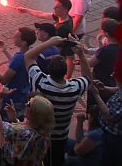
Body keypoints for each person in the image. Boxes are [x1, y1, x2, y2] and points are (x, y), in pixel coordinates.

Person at [25, 35, 92, 166]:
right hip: (60, 136)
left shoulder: (40, 82)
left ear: (49, 69)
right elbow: (88, 77)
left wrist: (49, 43)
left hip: (39, 133)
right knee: (57, 160)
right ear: (65, 71)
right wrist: (81, 55)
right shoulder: (74, 88)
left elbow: (28, 56)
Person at [0, 26, 36, 116]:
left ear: (24, 42)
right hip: (24, 94)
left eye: (16, 36)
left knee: (4, 121)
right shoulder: (30, 51)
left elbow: (3, 80)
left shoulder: (18, 58)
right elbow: (16, 65)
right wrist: (5, 51)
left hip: (12, 97)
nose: (13, 37)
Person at [0, 94, 54, 166]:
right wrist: (15, 120)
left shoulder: (20, 132)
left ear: (34, 113)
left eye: (28, 105)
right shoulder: (45, 134)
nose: (25, 104)